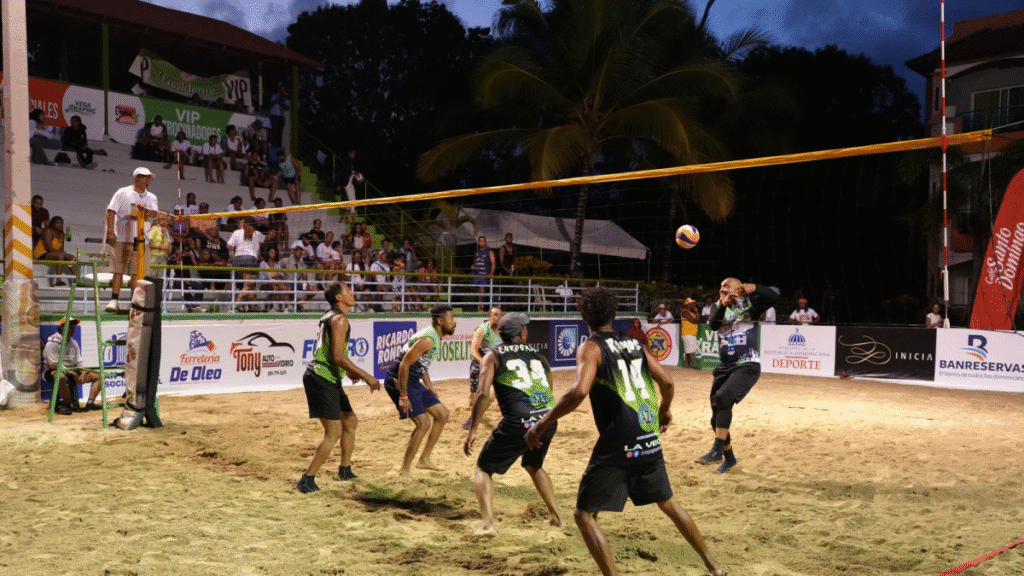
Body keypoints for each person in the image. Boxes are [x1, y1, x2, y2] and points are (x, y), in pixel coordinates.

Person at [525, 287, 725, 576]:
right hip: (648, 433)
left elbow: (578, 391)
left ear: (583, 316)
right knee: (668, 503)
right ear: (615, 315)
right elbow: (667, 382)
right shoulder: (634, 344)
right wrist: (664, 410)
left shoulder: (591, 347)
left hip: (618, 440)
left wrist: (542, 424)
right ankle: (713, 564)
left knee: (583, 515)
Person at [463, 313, 562, 535]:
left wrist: (473, 429)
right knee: (534, 465)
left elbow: (482, 395)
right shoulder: (539, 355)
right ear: (522, 333)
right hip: (546, 420)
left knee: (483, 467)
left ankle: (488, 524)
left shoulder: (493, 355)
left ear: (500, 333)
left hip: (520, 422)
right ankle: (556, 516)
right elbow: (549, 390)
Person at [298, 282, 382, 493]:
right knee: (332, 432)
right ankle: (307, 479)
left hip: (327, 377)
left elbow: (332, 355)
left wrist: (351, 373)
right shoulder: (339, 319)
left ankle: (345, 469)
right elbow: (337, 356)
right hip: (321, 378)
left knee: (350, 421)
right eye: (347, 291)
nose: (352, 293)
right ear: (338, 298)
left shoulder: (330, 316)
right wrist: (365, 375)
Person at [699, 278, 779, 474]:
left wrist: (753, 288)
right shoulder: (717, 306)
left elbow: (775, 296)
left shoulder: (751, 304)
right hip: (724, 367)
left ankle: (716, 450)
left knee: (723, 396)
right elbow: (714, 325)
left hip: (747, 364)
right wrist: (725, 304)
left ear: (738, 288)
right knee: (714, 419)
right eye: (721, 286)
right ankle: (730, 458)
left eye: (727, 286)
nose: (722, 288)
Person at [383, 304, 455, 476]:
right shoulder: (428, 339)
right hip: (399, 381)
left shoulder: (434, 337)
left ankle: (424, 460)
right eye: (451, 318)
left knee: (443, 415)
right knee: (423, 424)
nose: (455, 321)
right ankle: (404, 470)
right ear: (440, 321)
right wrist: (403, 395)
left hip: (414, 381)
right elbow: (404, 364)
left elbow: (421, 364)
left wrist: (429, 385)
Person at [105, 167, 162, 313]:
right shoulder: (122, 192)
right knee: (118, 270)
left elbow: (154, 214)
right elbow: (111, 211)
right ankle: (114, 300)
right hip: (122, 237)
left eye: (149, 178)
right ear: (136, 178)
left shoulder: (152, 197)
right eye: (144, 177)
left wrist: (146, 210)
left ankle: (134, 304)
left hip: (142, 239)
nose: (147, 181)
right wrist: (111, 232)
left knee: (138, 273)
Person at [43, 317, 103, 414]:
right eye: (70, 328)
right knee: (61, 377)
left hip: (72, 370)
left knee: (99, 376)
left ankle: (90, 403)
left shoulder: (74, 343)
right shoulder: (52, 343)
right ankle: (68, 405)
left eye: (74, 328)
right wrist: (71, 373)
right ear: (62, 327)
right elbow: (54, 364)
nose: (73, 330)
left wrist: (83, 371)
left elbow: (79, 360)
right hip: (53, 370)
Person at [462, 307, 503, 430]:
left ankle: (474, 417)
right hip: (479, 365)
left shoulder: (503, 331)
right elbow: (473, 351)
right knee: (477, 395)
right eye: (495, 314)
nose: (498, 317)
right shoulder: (482, 330)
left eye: (500, 315)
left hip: (496, 366)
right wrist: (484, 363)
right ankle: (473, 410)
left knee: (490, 395)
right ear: (489, 316)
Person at [33, 216, 76, 285]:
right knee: (60, 257)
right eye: (58, 223)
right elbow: (48, 248)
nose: (60, 225)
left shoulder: (62, 234)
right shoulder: (48, 231)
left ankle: (75, 282)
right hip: (42, 253)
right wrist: (63, 254)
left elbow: (61, 249)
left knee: (72, 258)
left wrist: (65, 255)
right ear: (52, 224)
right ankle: (58, 280)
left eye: (61, 223)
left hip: (53, 253)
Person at [471, 236, 495, 312]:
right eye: (480, 241)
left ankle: (480, 307)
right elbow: (475, 262)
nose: (482, 242)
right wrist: (473, 265)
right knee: (479, 292)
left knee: (482, 290)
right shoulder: (477, 252)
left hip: (484, 274)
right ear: (478, 242)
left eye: (483, 241)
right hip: (477, 274)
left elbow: (493, 263)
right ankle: (480, 306)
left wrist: (491, 273)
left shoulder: (489, 251)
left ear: (485, 242)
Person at [679, 298, 699, 369]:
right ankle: (694, 365)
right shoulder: (685, 312)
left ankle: (687, 365)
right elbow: (693, 321)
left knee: (688, 350)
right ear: (687, 305)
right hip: (687, 333)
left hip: (691, 333)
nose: (693, 305)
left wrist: (696, 312)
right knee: (690, 350)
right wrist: (696, 317)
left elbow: (697, 320)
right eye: (691, 304)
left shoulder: (691, 313)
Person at [269, 85, 290, 151]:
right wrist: (278, 99)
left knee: (280, 133)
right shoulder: (274, 96)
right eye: (281, 89)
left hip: (281, 117)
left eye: (284, 90)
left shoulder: (286, 99)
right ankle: (273, 146)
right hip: (274, 116)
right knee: (274, 131)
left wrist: (282, 101)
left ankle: (278, 147)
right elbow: (271, 103)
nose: (282, 91)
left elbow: (287, 107)